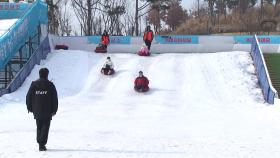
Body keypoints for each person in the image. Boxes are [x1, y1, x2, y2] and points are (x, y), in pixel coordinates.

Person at [26, 68, 58, 151]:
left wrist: (30, 108)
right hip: (48, 110)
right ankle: (41, 144)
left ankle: (40, 142)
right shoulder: (50, 85)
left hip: (37, 109)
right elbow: (55, 98)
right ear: (47, 74)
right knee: (45, 126)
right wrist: (54, 109)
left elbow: (28, 97)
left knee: (39, 126)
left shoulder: (34, 84)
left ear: (39, 74)